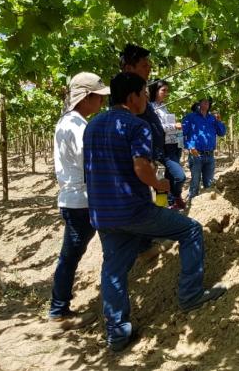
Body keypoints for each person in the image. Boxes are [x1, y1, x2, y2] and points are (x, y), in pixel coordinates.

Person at [84, 72, 225, 352]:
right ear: (133, 96)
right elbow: (141, 168)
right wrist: (160, 183)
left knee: (113, 269)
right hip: (133, 210)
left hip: (102, 212)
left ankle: (117, 333)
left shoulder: (93, 126)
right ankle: (190, 295)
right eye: (144, 96)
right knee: (191, 230)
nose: (145, 101)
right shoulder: (136, 126)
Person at [48, 72, 110, 330]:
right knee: (70, 256)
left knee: (70, 255)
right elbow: (91, 163)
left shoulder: (69, 122)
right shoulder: (77, 127)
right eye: (98, 97)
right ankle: (58, 312)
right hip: (81, 201)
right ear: (86, 97)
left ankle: (58, 309)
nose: (102, 103)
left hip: (75, 199)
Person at [149, 80, 188, 210]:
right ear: (155, 91)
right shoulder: (151, 107)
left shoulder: (163, 106)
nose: (166, 93)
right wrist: (173, 126)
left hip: (173, 145)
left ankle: (170, 203)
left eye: (167, 90)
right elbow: (157, 127)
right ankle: (176, 196)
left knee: (170, 175)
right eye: (163, 90)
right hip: (163, 148)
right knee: (179, 176)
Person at [182, 96, 226, 202]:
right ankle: (192, 206)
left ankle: (207, 209)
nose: (207, 103)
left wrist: (219, 121)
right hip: (196, 154)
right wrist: (189, 147)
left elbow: (222, 133)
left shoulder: (212, 118)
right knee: (195, 183)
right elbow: (181, 134)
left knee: (209, 184)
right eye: (204, 101)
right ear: (198, 103)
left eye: (208, 102)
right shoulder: (190, 117)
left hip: (210, 155)